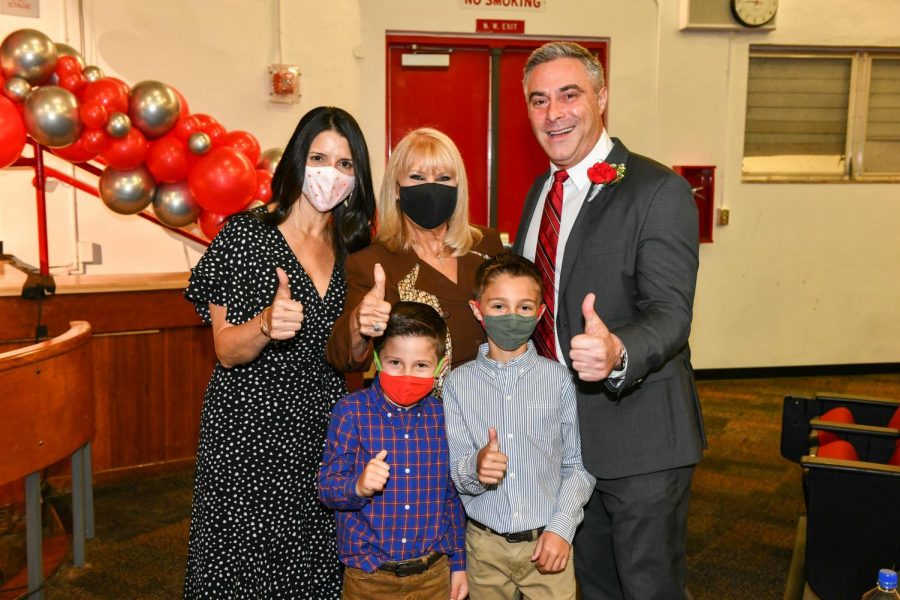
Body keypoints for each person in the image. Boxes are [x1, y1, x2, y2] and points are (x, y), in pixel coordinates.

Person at [513, 42, 706, 599]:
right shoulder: (540, 191)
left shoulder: (656, 189)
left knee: (648, 588)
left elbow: (671, 312)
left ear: (601, 97)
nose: (555, 113)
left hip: (641, 439)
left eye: (569, 94)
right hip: (568, 446)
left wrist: (618, 350)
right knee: (592, 587)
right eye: (539, 100)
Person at [183, 106, 376, 599]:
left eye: (345, 164)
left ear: (357, 178)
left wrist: (360, 325)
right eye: (318, 157)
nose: (329, 173)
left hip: (321, 425)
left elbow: (350, 359)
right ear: (296, 160)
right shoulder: (245, 234)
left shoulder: (353, 245)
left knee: (313, 566)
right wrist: (266, 325)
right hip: (249, 428)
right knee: (243, 567)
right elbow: (225, 350)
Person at [443, 253, 595, 600]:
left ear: (540, 313)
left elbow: (580, 464)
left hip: (547, 543)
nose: (512, 316)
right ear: (477, 309)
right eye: (499, 306)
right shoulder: (457, 385)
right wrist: (476, 469)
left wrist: (561, 528)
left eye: (524, 307)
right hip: (484, 546)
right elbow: (458, 470)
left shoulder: (560, 381)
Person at [326, 127, 504, 385]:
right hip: (419, 418)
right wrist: (359, 323)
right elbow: (346, 359)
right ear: (396, 188)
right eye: (417, 177)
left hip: (491, 407)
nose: (431, 188)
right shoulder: (371, 262)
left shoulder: (487, 246)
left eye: (443, 178)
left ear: (458, 187)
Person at [318, 301, 468, 600]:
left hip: (432, 574)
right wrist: (358, 486)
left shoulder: (445, 417)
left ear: (442, 366)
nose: (406, 374)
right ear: (376, 359)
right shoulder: (350, 412)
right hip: (369, 576)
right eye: (395, 362)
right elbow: (328, 489)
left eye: (421, 365)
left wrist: (458, 564)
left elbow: (451, 497)